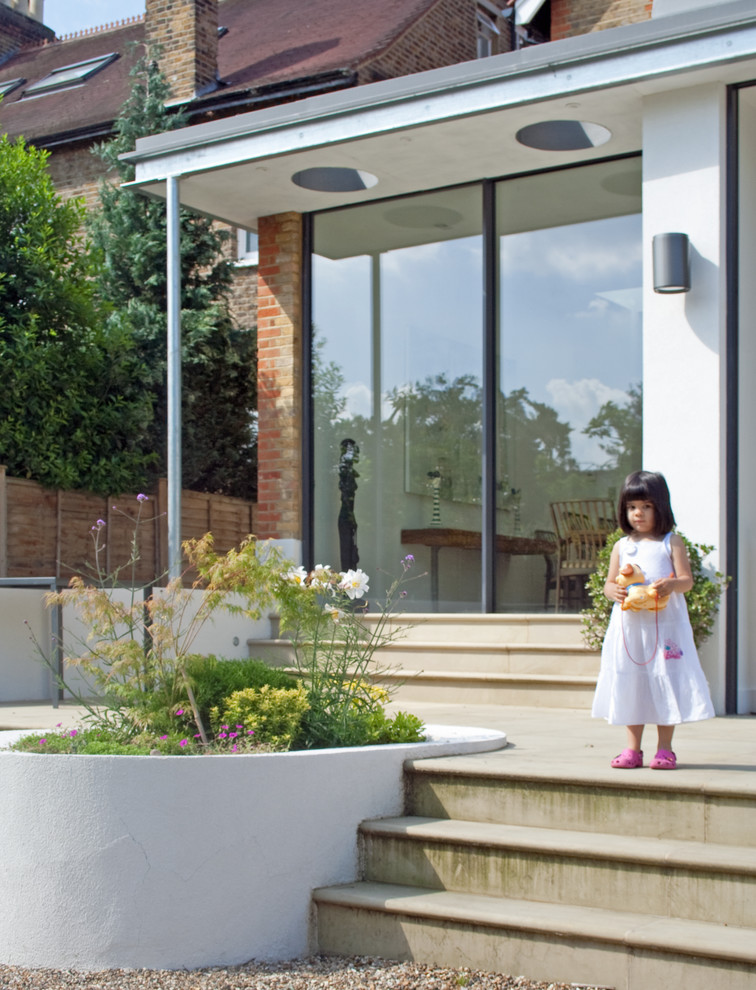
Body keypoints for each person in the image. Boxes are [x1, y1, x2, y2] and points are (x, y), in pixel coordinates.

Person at [591, 470, 714, 769]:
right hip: (630, 628)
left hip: (665, 627)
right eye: (633, 507)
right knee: (632, 680)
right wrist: (613, 591)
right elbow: (608, 584)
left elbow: (686, 580)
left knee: (665, 678)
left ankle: (665, 748)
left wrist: (672, 584)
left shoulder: (671, 542)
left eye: (646, 506)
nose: (638, 513)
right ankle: (632, 749)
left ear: (660, 507)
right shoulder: (622, 546)